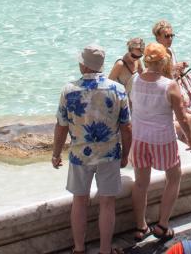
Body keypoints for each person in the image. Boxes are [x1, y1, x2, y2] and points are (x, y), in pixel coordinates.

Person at [52, 44, 132, 254]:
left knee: (79, 201)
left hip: (79, 156)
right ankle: (105, 250)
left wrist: (56, 152)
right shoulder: (117, 90)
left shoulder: (69, 91)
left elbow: (61, 126)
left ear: (85, 65)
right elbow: (127, 127)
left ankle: (79, 249)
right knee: (107, 204)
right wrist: (125, 154)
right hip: (109, 154)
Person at [130, 43, 191, 245]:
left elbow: (133, 106)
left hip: (140, 139)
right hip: (162, 139)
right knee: (174, 177)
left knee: (141, 183)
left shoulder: (134, 80)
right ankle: (162, 224)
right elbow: (182, 117)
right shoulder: (169, 85)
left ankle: (141, 226)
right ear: (164, 60)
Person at [152, 20, 191, 145]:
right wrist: (174, 69)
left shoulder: (170, 51)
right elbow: (158, 79)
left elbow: (172, 75)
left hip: (178, 90)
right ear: (158, 38)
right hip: (168, 95)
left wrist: (179, 69)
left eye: (172, 35)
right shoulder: (157, 56)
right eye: (166, 36)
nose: (170, 38)